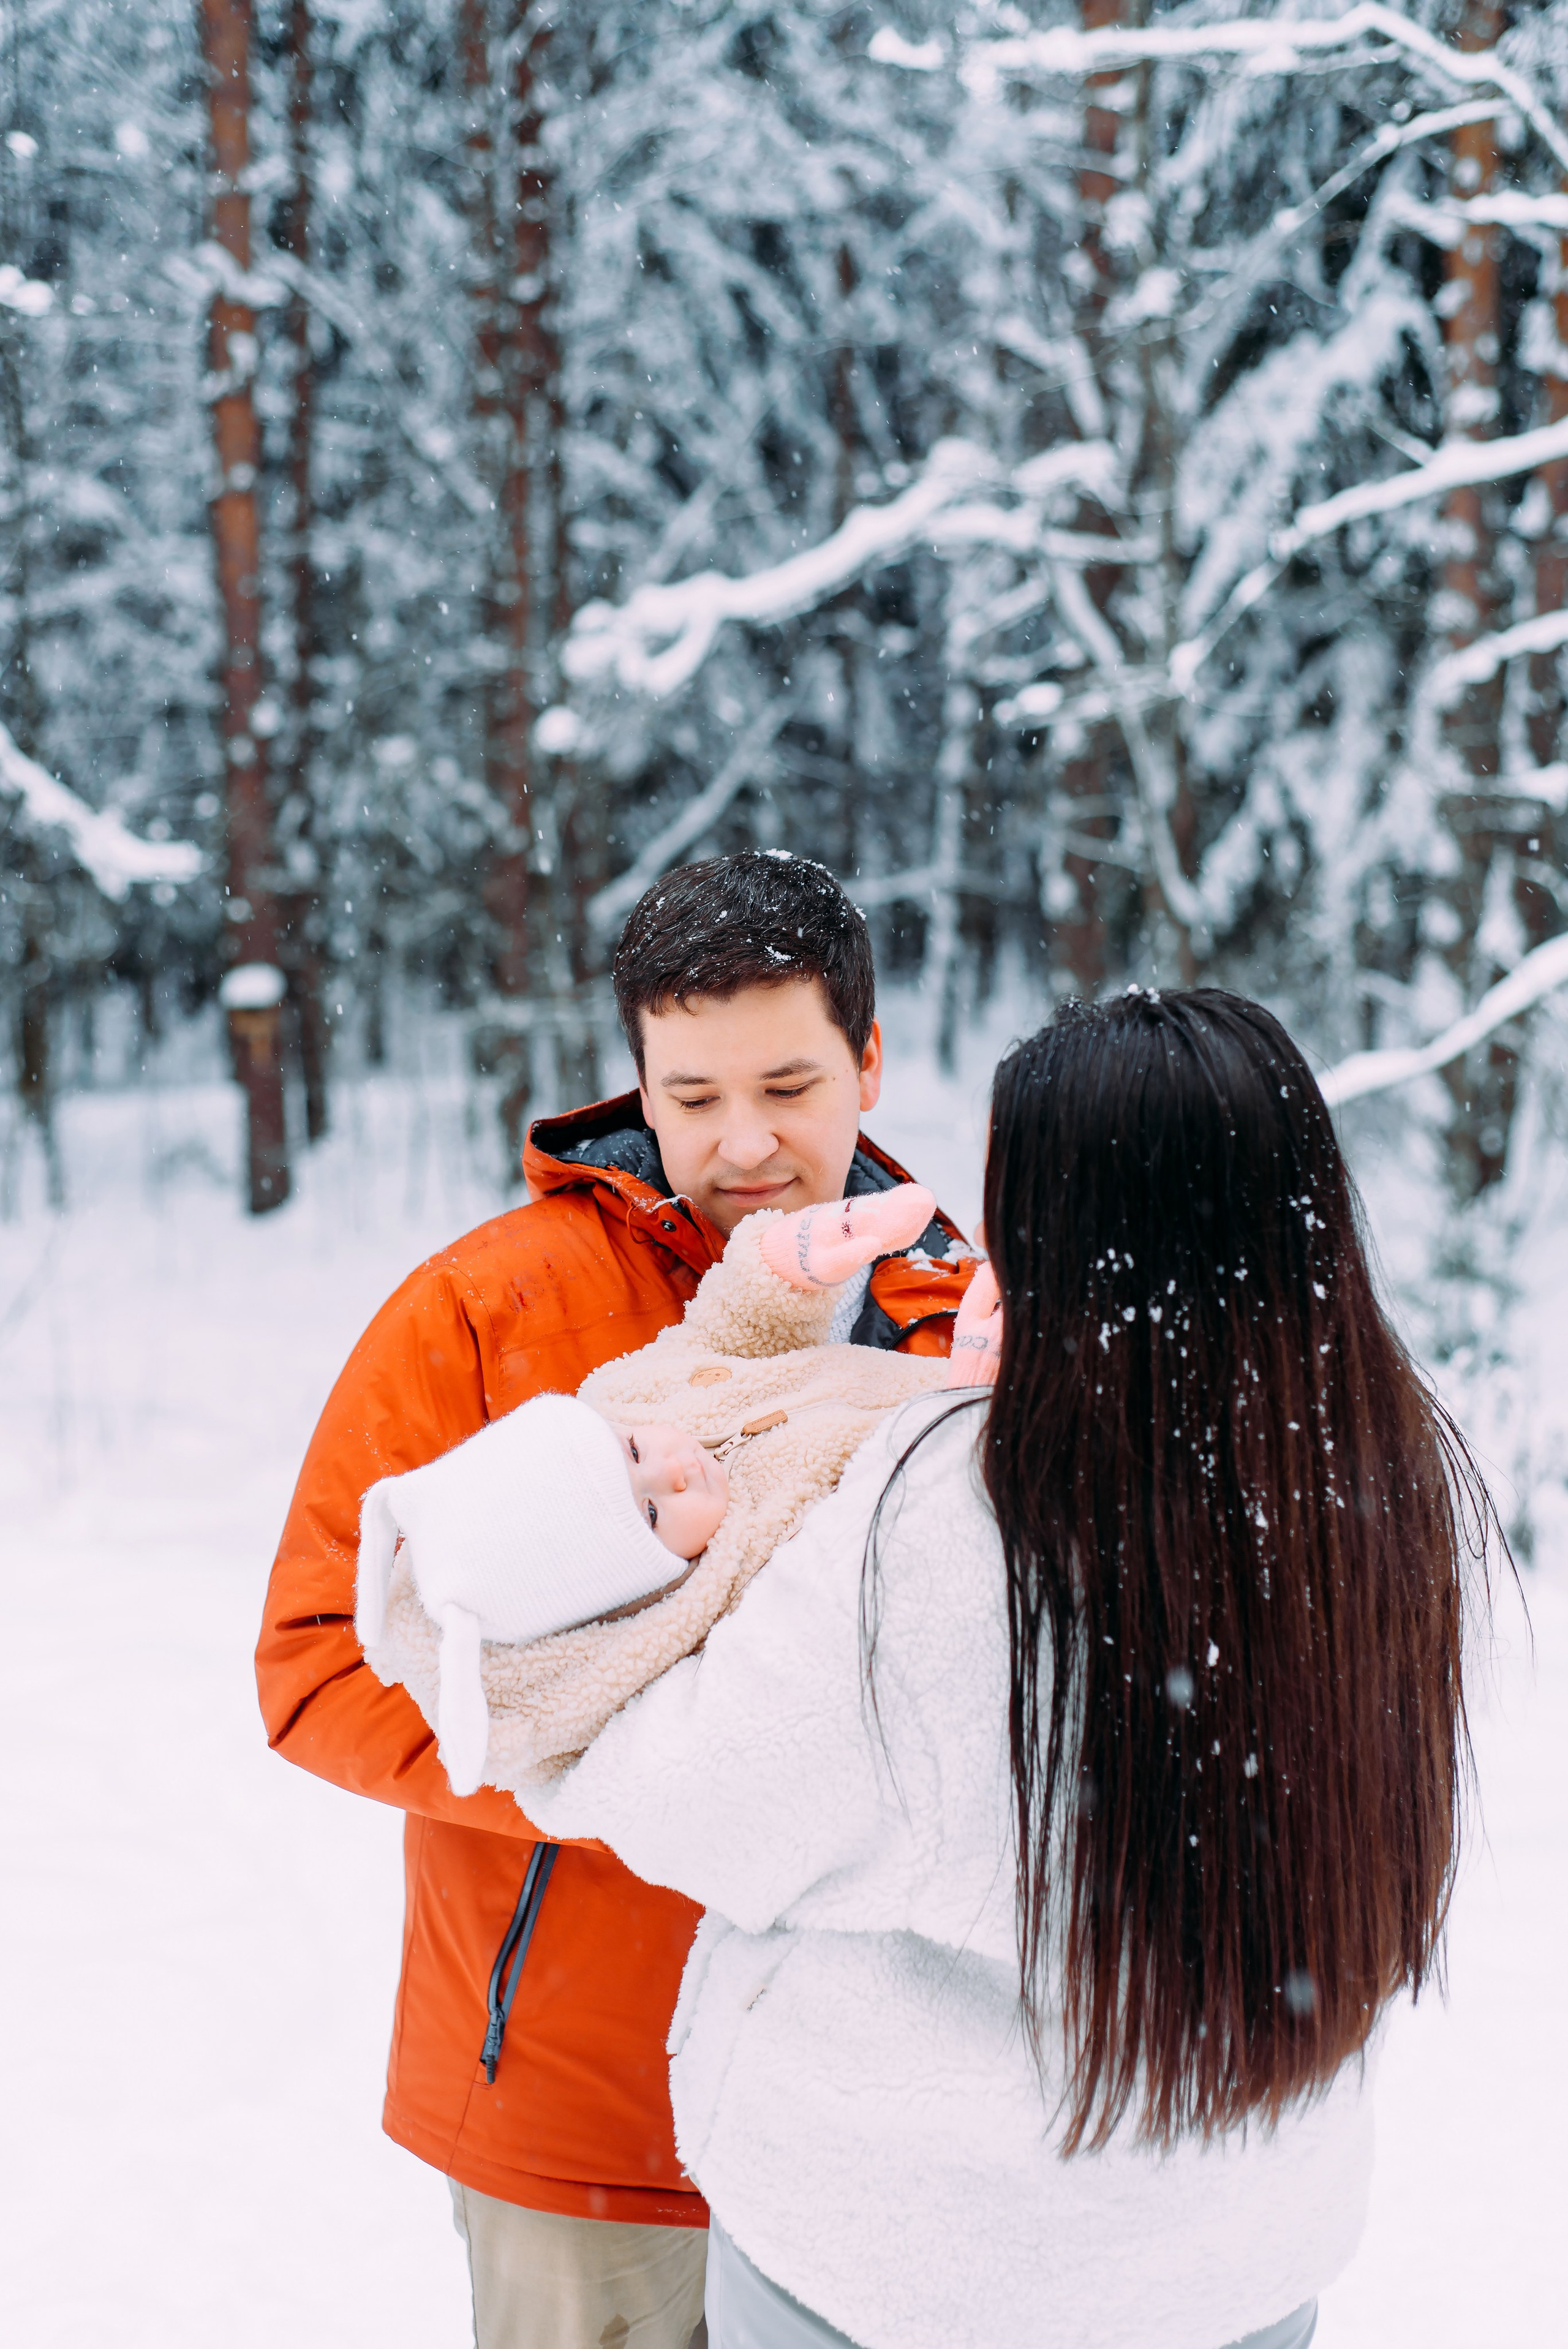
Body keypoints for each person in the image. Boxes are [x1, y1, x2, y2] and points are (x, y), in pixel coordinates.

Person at [502, 987, 1497, 2349]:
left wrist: (730, 1396)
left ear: (1069, 1240)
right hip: (1238, 2252)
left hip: (919, 2264)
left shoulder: (949, 1518)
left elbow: (689, 1796)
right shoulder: (1380, 1472)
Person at [254, 852, 976, 2349]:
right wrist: (623, 1774)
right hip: (585, 2114)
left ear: (869, 1057)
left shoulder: (957, 1312)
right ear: (637, 1083)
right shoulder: (485, 1306)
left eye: (786, 1083)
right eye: (693, 1094)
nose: (745, 1141)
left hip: (882, 2111)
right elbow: (314, 1663)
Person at [353, 1183, 994, 1796]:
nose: (673, 1465)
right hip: (979, 1439)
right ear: (633, 1590)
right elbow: (898, 1562)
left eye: (633, 1451)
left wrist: (784, 1263)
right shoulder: (735, 1594)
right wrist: (957, 1424)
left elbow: (719, 1337)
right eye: (653, 1512)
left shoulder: (630, 1399)